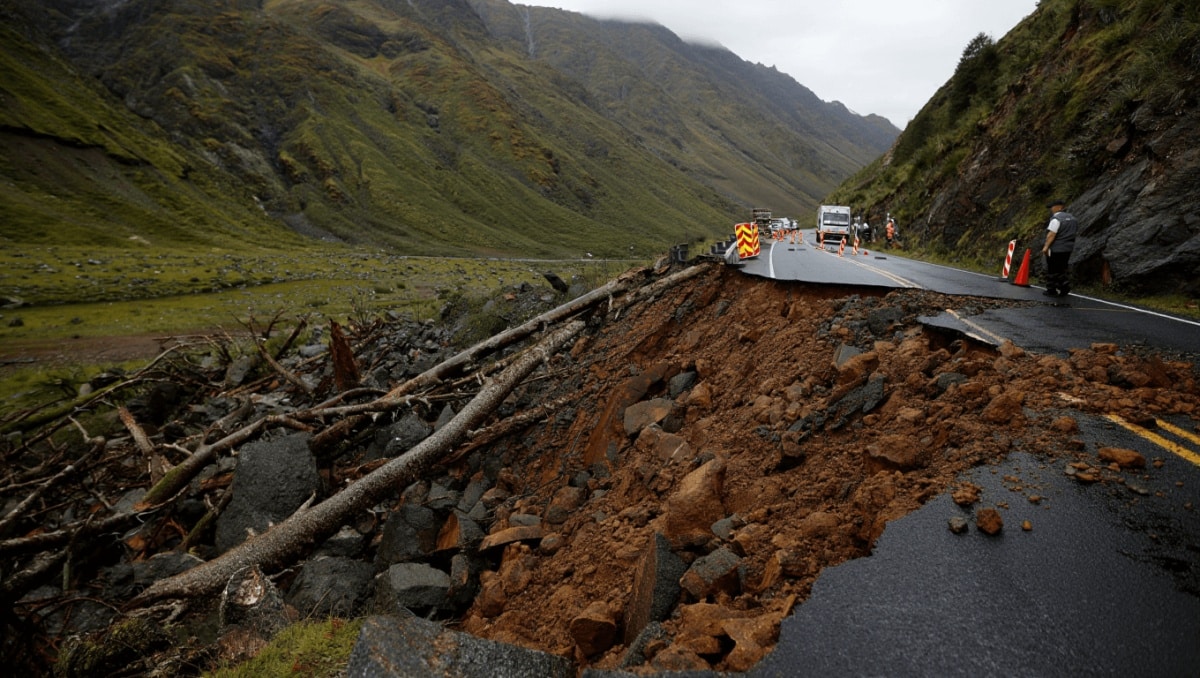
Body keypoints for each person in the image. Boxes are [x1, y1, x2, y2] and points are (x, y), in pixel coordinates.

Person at [1041, 198, 1078, 297]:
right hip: (1068, 248)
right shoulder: (1073, 219)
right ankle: (1063, 287)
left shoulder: (1056, 219)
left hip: (1056, 248)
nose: (1051, 209)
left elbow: (1052, 234)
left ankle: (1052, 289)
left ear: (1059, 207)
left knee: (1052, 268)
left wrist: (1046, 246)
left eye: (1052, 207)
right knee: (1062, 268)